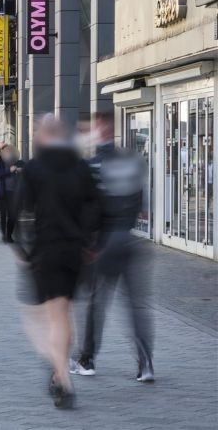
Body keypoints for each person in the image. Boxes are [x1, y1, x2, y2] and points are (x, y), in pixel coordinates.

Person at [13, 115, 100, 408]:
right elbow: (96, 207)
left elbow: (19, 210)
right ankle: (60, 372)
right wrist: (89, 242)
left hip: (45, 249)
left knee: (38, 316)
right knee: (63, 312)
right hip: (75, 251)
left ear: (43, 135)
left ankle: (61, 376)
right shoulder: (81, 166)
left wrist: (21, 248)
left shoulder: (35, 168)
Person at [71, 113, 154, 381]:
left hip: (102, 243)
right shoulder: (133, 161)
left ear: (99, 130)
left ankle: (88, 358)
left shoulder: (91, 166)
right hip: (129, 240)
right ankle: (146, 363)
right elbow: (141, 202)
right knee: (136, 305)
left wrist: (86, 243)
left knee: (96, 303)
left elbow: (87, 208)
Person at [0, 144, 24, 243]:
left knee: (13, 214)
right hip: (3, 192)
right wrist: (9, 171)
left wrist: (21, 170)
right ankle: (4, 234)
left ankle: (9, 234)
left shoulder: (19, 162)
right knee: (3, 214)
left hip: (15, 192)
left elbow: (27, 170)